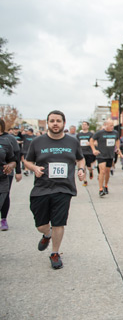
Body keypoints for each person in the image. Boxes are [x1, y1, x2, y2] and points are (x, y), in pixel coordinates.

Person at [24, 110, 84, 269]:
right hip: (42, 188)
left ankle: (55, 253)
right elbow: (27, 161)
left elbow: (80, 158)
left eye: (58, 121)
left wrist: (81, 169)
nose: (55, 123)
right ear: (48, 123)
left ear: (64, 123)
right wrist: (34, 168)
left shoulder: (72, 142)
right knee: (41, 225)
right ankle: (46, 234)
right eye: (52, 121)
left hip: (64, 188)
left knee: (59, 222)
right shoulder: (37, 142)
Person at [90, 119, 120, 197]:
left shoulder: (115, 133)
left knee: (107, 172)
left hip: (110, 155)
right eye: (110, 125)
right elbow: (91, 140)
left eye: (113, 125)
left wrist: (118, 148)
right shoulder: (100, 133)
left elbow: (117, 140)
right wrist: (94, 150)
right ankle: (100, 189)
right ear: (105, 125)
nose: (112, 127)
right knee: (102, 171)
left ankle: (105, 185)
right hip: (101, 154)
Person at [0, 118, 19, 231]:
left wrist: (15, 169)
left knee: (4, 195)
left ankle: (3, 219)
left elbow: (15, 157)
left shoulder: (8, 139)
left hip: (4, 175)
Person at [76, 121, 95, 186]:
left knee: (89, 167)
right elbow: (77, 143)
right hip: (81, 153)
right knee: (83, 167)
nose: (83, 126)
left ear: (88, 126)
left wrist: (90, 143)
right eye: (83, 125)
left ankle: (90, 172)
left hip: (89, 152)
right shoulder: (79, 135)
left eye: (85, 125)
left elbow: (95, 143)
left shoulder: (91, 134)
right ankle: (85, 181)